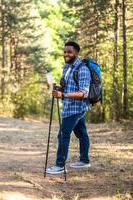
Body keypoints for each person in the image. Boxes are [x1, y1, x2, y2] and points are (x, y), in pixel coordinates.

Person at [46, 41, 91, 174]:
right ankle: (84, 161)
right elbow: (66, 85)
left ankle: (59, 165)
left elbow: (84, 93)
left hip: (76, 108)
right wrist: (58, 88)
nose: (66, 54)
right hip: (69, 106)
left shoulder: (83, 69)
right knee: (82, 133)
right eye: (65, 51)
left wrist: (63, 95)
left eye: (69, 52)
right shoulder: (67, 67)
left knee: (63, 135)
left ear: (76, 53)